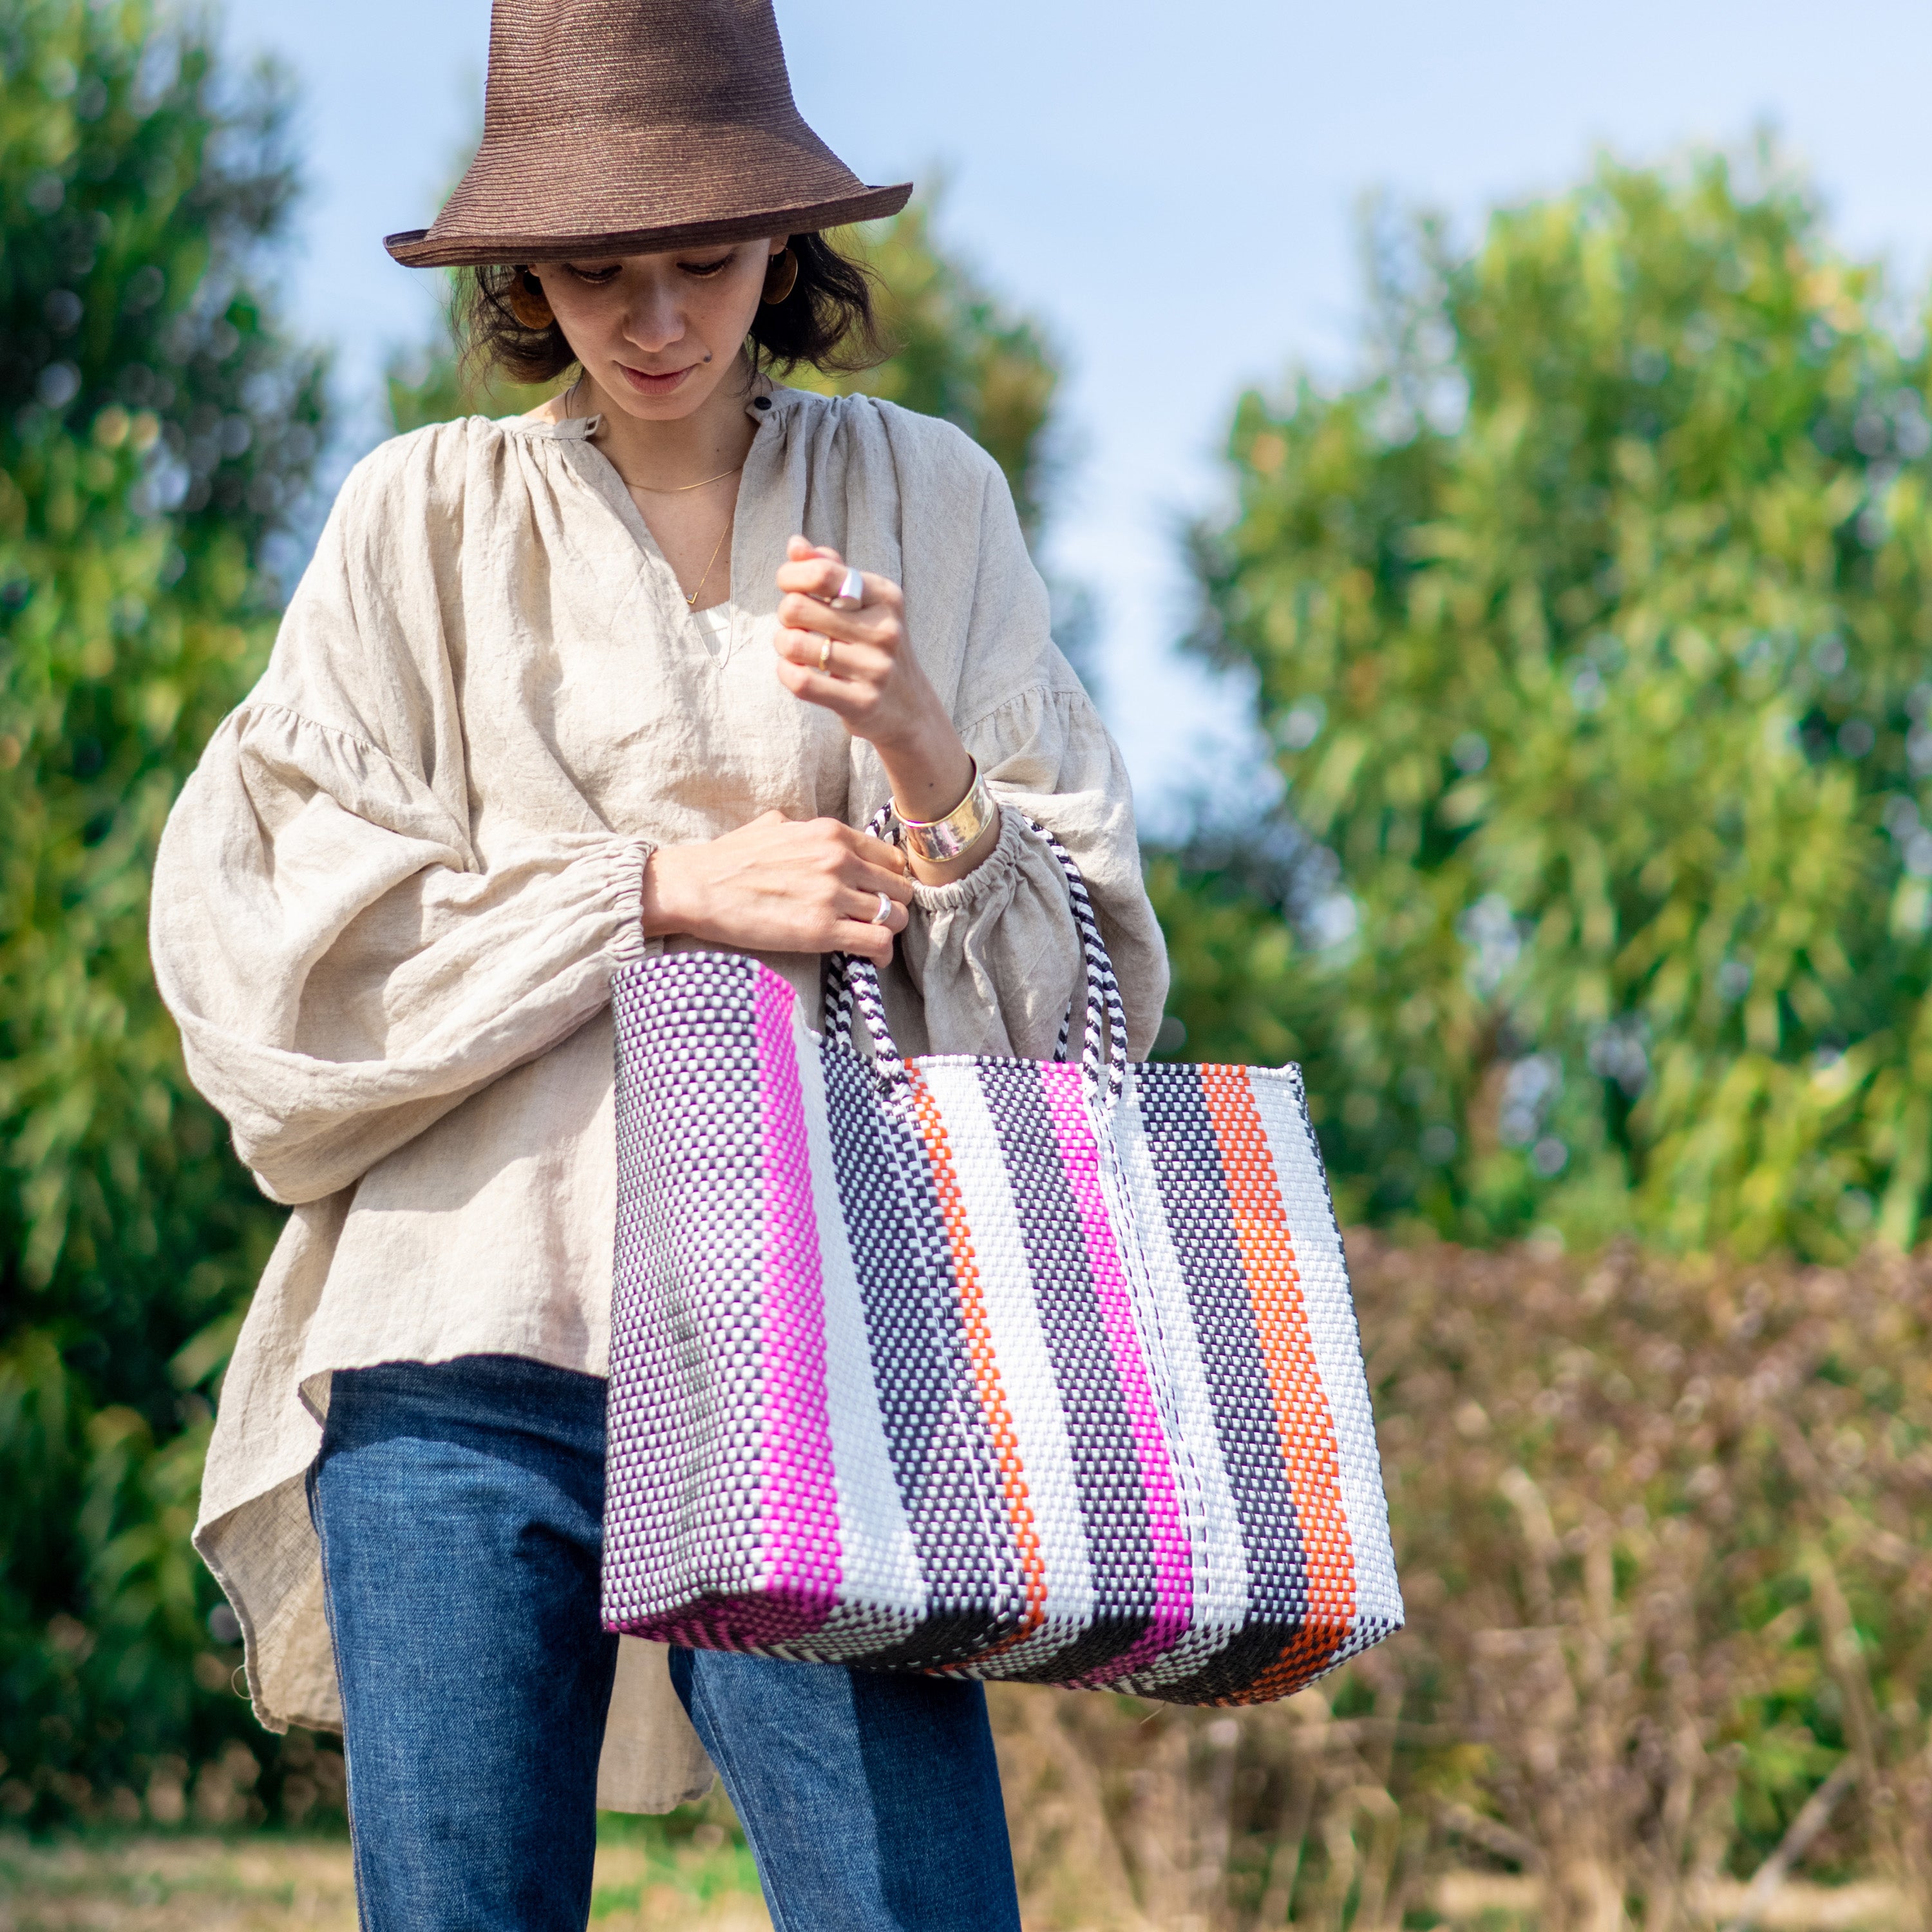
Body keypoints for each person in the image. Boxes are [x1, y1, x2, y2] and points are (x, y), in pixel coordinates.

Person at [150, 1, 1169, 1926]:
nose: (655, 318)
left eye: (701, 259)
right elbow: (271, 960)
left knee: (917, 1907)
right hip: (457, 1343)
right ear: (518, 271)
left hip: (828, 1344)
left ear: (784, 241)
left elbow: (1081, 1009)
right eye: (595, 269)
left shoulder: (926, 498)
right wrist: (668, 891)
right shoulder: (416, 521)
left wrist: (936, 762)